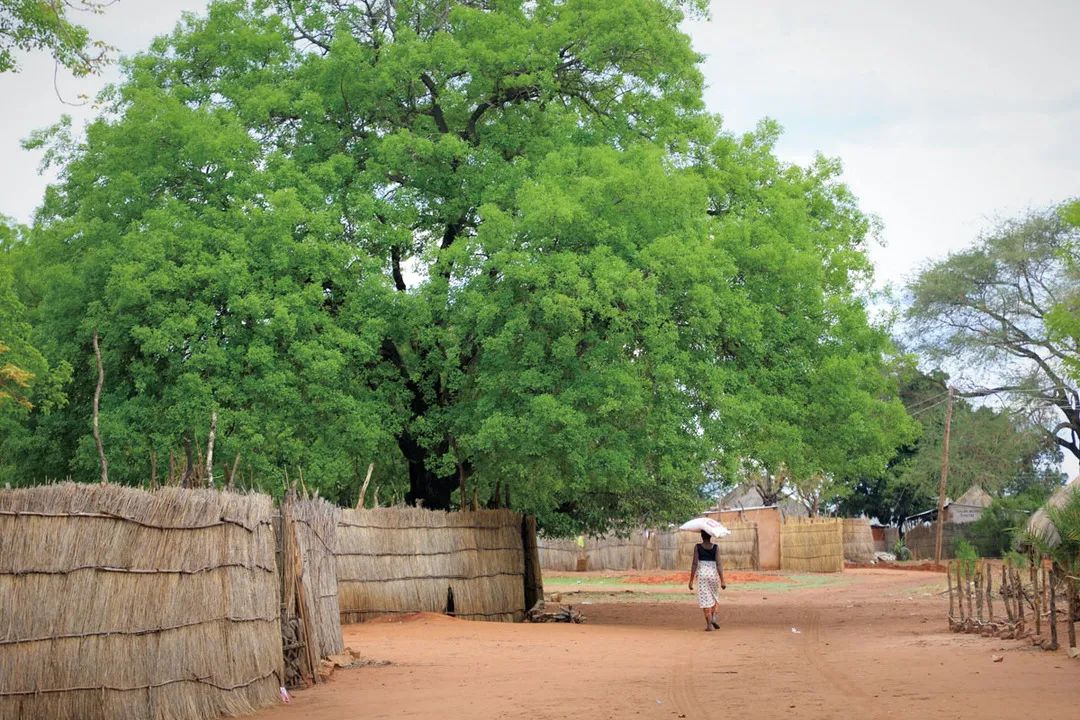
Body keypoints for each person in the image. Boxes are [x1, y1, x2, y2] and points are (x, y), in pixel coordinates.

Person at [688, 530, 726, 631]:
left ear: (701, 536)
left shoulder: (697, 547)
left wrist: (691, 580)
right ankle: (714, 617)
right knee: (715, 597)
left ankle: (709, 625)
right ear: (711, 536)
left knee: (705, 599)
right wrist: (722, 580)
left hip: (702, 575)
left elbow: (694, 564)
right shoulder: (716, 547)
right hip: (713, 575)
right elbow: (719, 565)